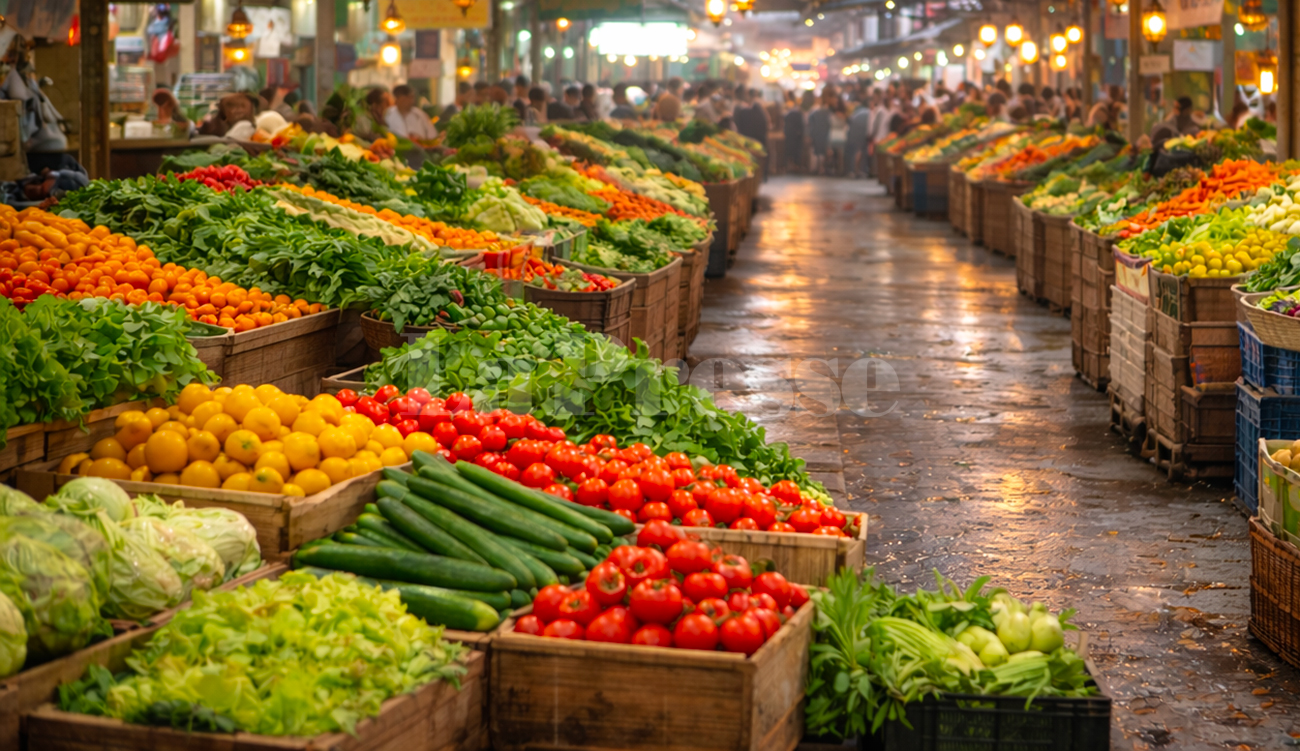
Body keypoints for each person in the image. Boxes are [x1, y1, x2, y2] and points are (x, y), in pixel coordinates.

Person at [845, 98, 871, 178]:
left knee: (856, 151)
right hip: (861, 132)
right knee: (859, 151)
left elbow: (849, 119)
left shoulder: (857, 112)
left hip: (854, 132)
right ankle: (857, 171)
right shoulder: (868, 112)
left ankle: (853, 170)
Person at [783, 94, 806, 173]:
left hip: (790, 133)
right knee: (797, 150)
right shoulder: (798, 111)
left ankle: (792, 165)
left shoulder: (788, 110)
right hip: (797, 133)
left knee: (790, 149)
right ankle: (796, 165)